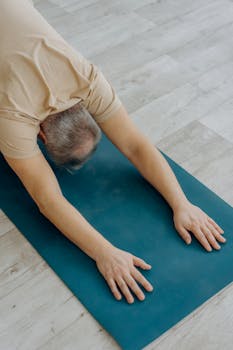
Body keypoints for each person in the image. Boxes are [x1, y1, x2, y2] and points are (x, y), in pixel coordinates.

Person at [0, 0, 226, 305]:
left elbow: (136, 145)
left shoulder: (87, 78)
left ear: (87, 110)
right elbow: (47, 200)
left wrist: (181, 203)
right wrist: (104, 253)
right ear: (40, 134)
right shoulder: (13, 118)